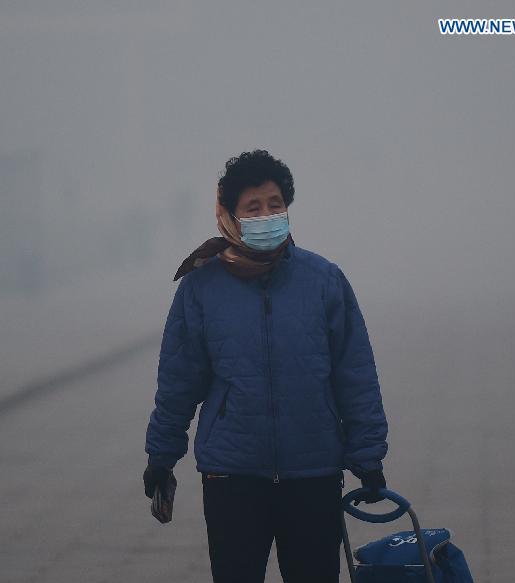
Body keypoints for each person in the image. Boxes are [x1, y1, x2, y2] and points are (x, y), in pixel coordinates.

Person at [143, 150, 389, 583]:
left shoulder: (324, 281)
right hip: (232, 476)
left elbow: (355, 374)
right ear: (231, 216)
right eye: (253, 207)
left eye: (275, 204)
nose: (267, 215)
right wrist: (162, 456)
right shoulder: (202, 287)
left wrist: (367, 456)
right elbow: (179, 380)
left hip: (313, 473)